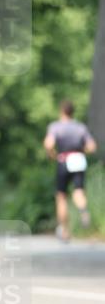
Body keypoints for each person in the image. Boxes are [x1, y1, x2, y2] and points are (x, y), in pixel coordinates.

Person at [43, 100, 97, 241]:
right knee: (78, 191)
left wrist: (52, 155)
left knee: (61, 196)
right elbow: (92, 147)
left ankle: (65, 231)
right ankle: (83, 210)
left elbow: (48, 144)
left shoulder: (56, 126)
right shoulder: (80, 127)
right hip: (79, 160)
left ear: (61, 111)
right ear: (73, 112)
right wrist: (82, 151)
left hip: (64, 159)